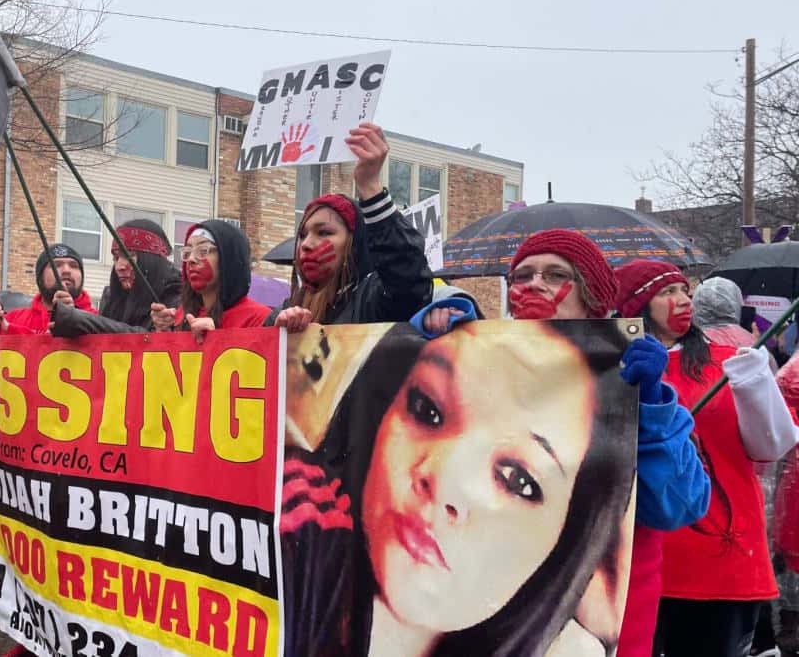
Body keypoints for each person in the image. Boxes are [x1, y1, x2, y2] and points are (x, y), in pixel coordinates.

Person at [414, 229, 710, 657]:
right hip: (495, 622)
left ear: (593, 298)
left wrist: (648, 410)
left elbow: (678, 507)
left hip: (604, 630)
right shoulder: (484, 370)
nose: (534, 285)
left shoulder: (632, 382)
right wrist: (424, 340)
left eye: (555, 275)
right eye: (523, 276)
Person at [282, 319, 637, 656]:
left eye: (518, 480)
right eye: (427, 409)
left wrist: (664, 419)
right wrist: (272, 341)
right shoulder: (297, 519)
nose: (446, 479)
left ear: (569, 538)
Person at [612, 259, 799, 657]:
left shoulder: (731, 360)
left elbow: (772, 446)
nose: (683, 301)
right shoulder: (613, 366)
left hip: (720, 560)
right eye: (667, 293)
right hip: (638, 559)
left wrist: (754, 382)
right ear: (637, 306)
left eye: (686, 291)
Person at [270, 123, 433, 332]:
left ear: (354, 242)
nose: (307, 244)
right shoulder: (284, 311)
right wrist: (274, 338)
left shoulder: (373, 300)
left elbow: (409, 280)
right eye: (302, 235)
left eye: (324, 232)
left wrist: (369, 185)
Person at [52, 219, 181, 337]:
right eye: (116, 258)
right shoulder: (112, 299)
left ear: (152, 260)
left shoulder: (180, 299)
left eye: (129, 256)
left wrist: (79, 320)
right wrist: (71, 317)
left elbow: (145, 340)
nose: (119, 266)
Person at [149, 220, 271, 339]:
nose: (191, 259)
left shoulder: (259, 319)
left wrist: (215, 341)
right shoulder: (182, 315)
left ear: (229, 259)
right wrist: (163, 334)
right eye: (187, 252)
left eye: (203, 251)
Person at [0, 243, 96, 335]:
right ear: (40, 278)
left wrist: (77, 319)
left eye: (74, 266)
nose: (66, 270)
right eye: (56, 265)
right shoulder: (13, 319)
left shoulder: (98, 321)